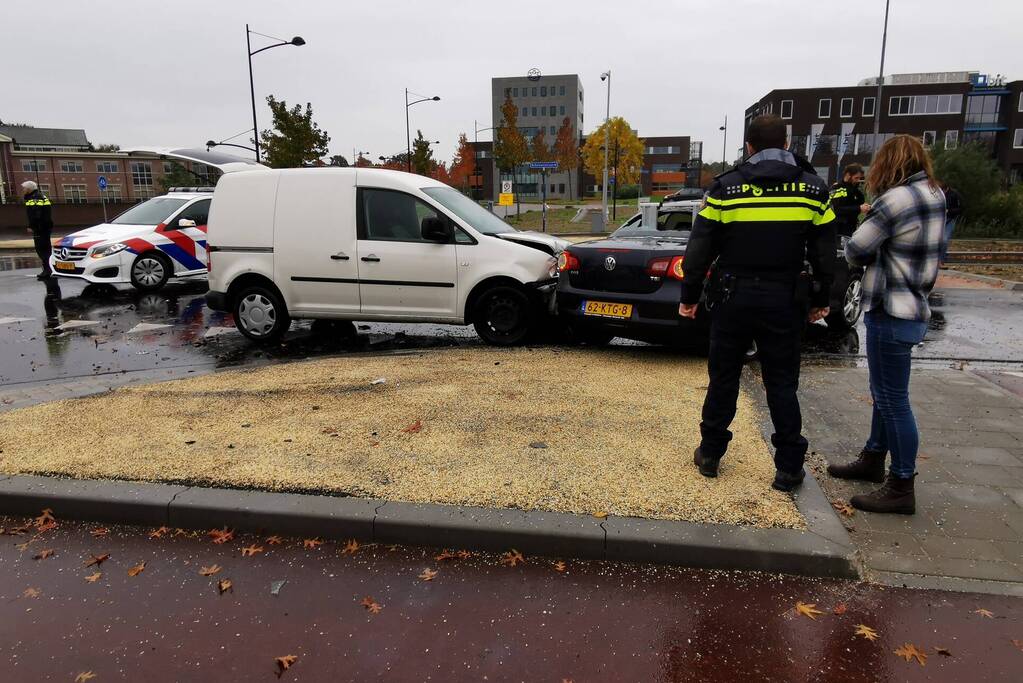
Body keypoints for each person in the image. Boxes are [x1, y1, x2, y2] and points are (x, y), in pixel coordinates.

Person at [679, 114, 837, 492]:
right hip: (784, 298)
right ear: (785, 144)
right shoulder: (813, 191)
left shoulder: (724, 190)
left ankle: (712, 453)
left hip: (733, 296)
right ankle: (787, 468)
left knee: (723, 377)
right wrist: (820, 299)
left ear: (748, 146)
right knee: (782, 382)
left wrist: (689, 296)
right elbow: (826, 254)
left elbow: (699, 249)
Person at [827, 135, 946, 515]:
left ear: (888, 164)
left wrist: (869, 219)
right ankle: (874, 457)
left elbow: (856, 249)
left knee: (893, 399)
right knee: (885, 393)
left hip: (890, 307)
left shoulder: (894, 200)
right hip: (914, 303)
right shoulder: (934, 194)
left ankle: (901, 484)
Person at [22, 180, 53, 279]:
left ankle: (47, 270)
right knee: (46, 249)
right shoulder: (42, 197)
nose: (23, 190)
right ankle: (49, 268)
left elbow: (35, 215)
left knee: (41, 249)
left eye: (24, 188)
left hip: (40, 228)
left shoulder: (34, 198)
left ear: (29, 189)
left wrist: (32, 226)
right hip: (45, 227)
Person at [829, 163, 871, 238]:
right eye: (856, 178)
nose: (858, 181)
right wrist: (859, 208)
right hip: (838, 229)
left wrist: (865, 207)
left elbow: (860, 204)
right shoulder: (837, 188)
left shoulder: (857, 191)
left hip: (851, 228)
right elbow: (836, 209)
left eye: (860, 178)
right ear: (848, 175)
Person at [939, 182, 963, 263]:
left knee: (944, 240)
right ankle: (939, 257)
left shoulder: (955, 194)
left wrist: (949, 211)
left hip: (950, 219)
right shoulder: (936, 193)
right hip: (939, 220)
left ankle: (941, 260)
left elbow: (960, 209)